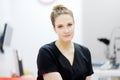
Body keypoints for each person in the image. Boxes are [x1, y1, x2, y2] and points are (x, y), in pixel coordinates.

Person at [37, 4, 94, 80]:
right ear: (54, 29)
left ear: (74, 25)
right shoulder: (46, 52)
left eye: (69, 25)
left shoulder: (85, 52)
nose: (66, 30)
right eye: (60, 26)